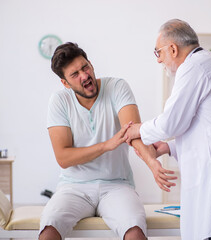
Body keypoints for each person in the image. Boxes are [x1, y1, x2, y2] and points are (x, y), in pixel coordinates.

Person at [125, 19, 211, 240]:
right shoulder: (206, 64)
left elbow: (171, 122)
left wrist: (137, 131)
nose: (159, 60)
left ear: (173, 49)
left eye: (158, 53)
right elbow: (207, 127)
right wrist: (169, 147)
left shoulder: (194, 67)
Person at [39, 42, 176, 240]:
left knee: (135, 233)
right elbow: (63, 157)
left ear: (91, 64)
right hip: (73, 187)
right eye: (75, 74)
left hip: (117, 185)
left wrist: (152, 163)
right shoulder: (60, 101)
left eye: (85, 67)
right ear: (66, 84)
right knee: (49, 230)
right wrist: (106, 145)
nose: (84, 76)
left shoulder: (117, 87)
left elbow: (133, 132)